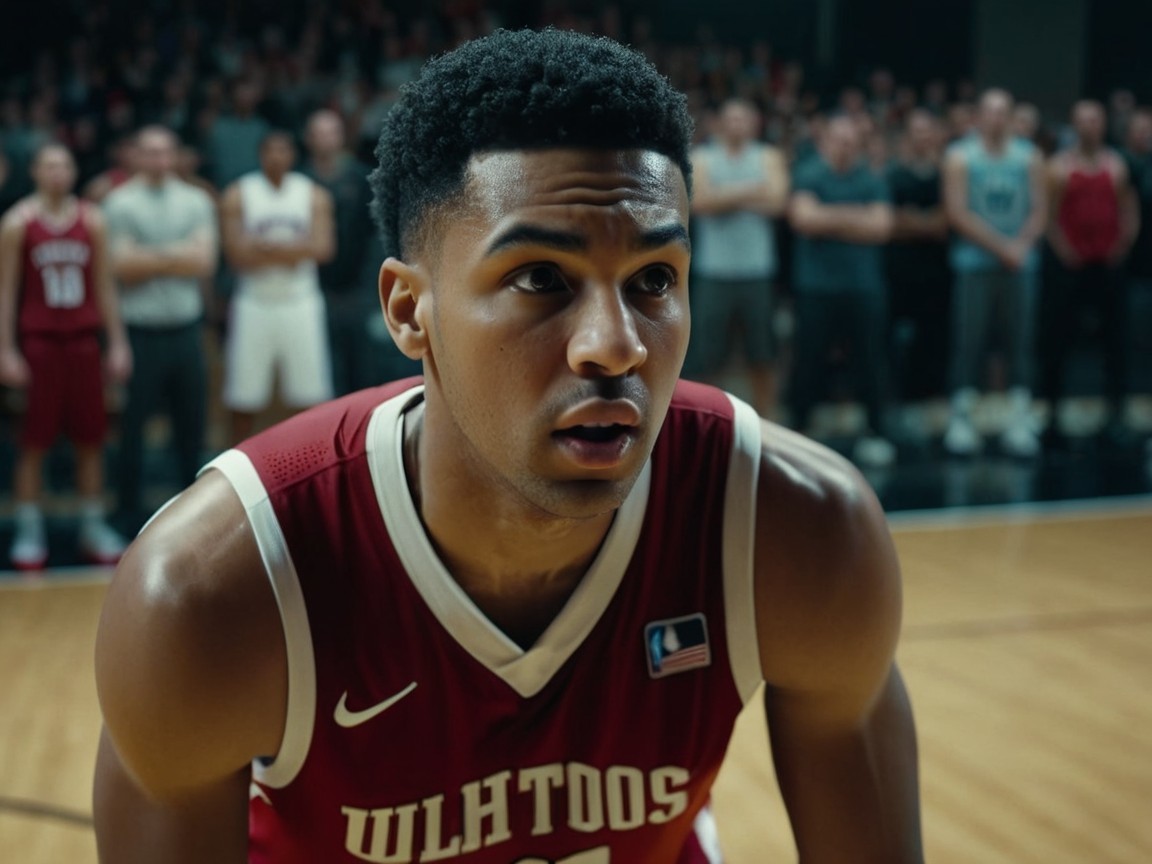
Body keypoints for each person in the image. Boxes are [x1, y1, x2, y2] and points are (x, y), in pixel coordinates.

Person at [93, 29, 923, 863]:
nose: (615, 344)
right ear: (408, 309)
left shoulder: (795, 529)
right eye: (541, 279)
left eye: (654, 280)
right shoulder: (214, 592)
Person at [0, 143, 132, 569]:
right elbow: (6, 292)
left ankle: (92, 525)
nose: (58, 172)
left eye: (65, 164)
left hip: (82, 342)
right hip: (39, 344)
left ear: (74, 171)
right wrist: (5, 350)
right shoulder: (17, 223)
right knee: (33, 441)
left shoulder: (92, 220)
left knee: (91, 438)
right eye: (49, 165)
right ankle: (29, 528)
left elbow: (105, 287)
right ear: (36, 172)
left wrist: (117, 343)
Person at [103, 125, 217, 530]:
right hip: (140, 333)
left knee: (191, 428)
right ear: (135, 155)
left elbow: (203, 263)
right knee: (132, 430)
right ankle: (127, 515)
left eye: (164, 151)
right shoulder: (118, 203)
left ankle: (195, 518)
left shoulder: (195, 200)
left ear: (174, 155)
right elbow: (120, 268)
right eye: (149, 152)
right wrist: (177, 256)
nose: (157, 159)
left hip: (185, 329)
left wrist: (147, 257)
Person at [942, 88, 1047, 457]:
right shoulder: (960, 156)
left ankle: (1019, 420)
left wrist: (1019, 246)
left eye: (1003, 111)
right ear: (979, 116)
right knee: (969, 341)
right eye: (990, 111)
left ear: (1011, 115)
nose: (996, 118)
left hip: (1020, 263)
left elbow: (1039, 210)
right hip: (975, 263)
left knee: (1020, 342)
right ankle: (961, 420)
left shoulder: (1029, 156)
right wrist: (1003, 247)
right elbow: (956, 213)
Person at [788, 114, 897, 467]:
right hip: (816, 287)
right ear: (825, 142)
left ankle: (877, 432)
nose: (844, 147)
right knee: (809, 360)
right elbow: (804, 220)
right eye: (838, 140)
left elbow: (881, 227)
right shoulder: (808, 173)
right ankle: (798, 431)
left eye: (851, 141)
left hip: (863, 287)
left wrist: (828, 216)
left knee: (870, 361)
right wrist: (856, 216)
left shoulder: (870, 178)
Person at [219, 129, 335, 443]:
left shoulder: (312, 193)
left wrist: (264, 248)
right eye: (270, 150)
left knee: (310, 393)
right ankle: (236, 461)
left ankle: (312, 461)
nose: (276, 157)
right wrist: (296, 249)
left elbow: (323, 248)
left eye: (283, 150)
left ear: (293, 156)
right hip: (253, 303)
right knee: (243, 394)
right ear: (260, 155)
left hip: (300, 302)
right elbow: (236, 254)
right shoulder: (238, 193)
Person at [1041, 100, 1139, 448]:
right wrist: (1064, 250)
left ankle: (1116, 415)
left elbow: (1129, 208)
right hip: (1071, 268)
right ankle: (1053, 417)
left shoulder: (1116, 164)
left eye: (1094, 120)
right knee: (1059, 342)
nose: (1089, 126)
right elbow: (1048, 216)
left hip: (1107, 266)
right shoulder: (1058, 166)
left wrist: (1123, 243)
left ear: (1103, 124)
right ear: (1074, 125)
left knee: (1116, 344)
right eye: (1082, 120)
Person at [688, 98, 789, 419]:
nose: (736, 125)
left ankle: (767, 423)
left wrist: (724, 195)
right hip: (713, 273)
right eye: (730, 118)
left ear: (754, 123)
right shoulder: (701, 157)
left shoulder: (768, 156)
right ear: (719, 123)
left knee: (763, 354)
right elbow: (699, 203)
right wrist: (752, 189)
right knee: (706, 357)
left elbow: (776, 203)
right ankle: (703, 421)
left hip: (756, 272)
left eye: (742, 119)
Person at [300, 109, 381, 396]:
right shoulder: (299, 180)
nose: (325, 139)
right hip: (309, 292)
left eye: (331, 132)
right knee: (321, 372)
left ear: (342, 137)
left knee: (361, 369)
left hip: (357, 291)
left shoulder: (361, 178)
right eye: (319, 133)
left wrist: (369, 289)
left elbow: (375, 237)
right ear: (308, 139)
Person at [886, 110, 951, 420]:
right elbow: (891, 221)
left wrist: (913, 219)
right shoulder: (893, 174)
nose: (923, 137)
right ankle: (897, 399)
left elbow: (947, 221)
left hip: (936, 271)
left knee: (934, 336)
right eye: (917, 131)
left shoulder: (945, 175)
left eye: (928, 130)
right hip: (899, 269)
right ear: (907, 135)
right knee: (895, 337)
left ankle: (929, 398)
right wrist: (926, 221)